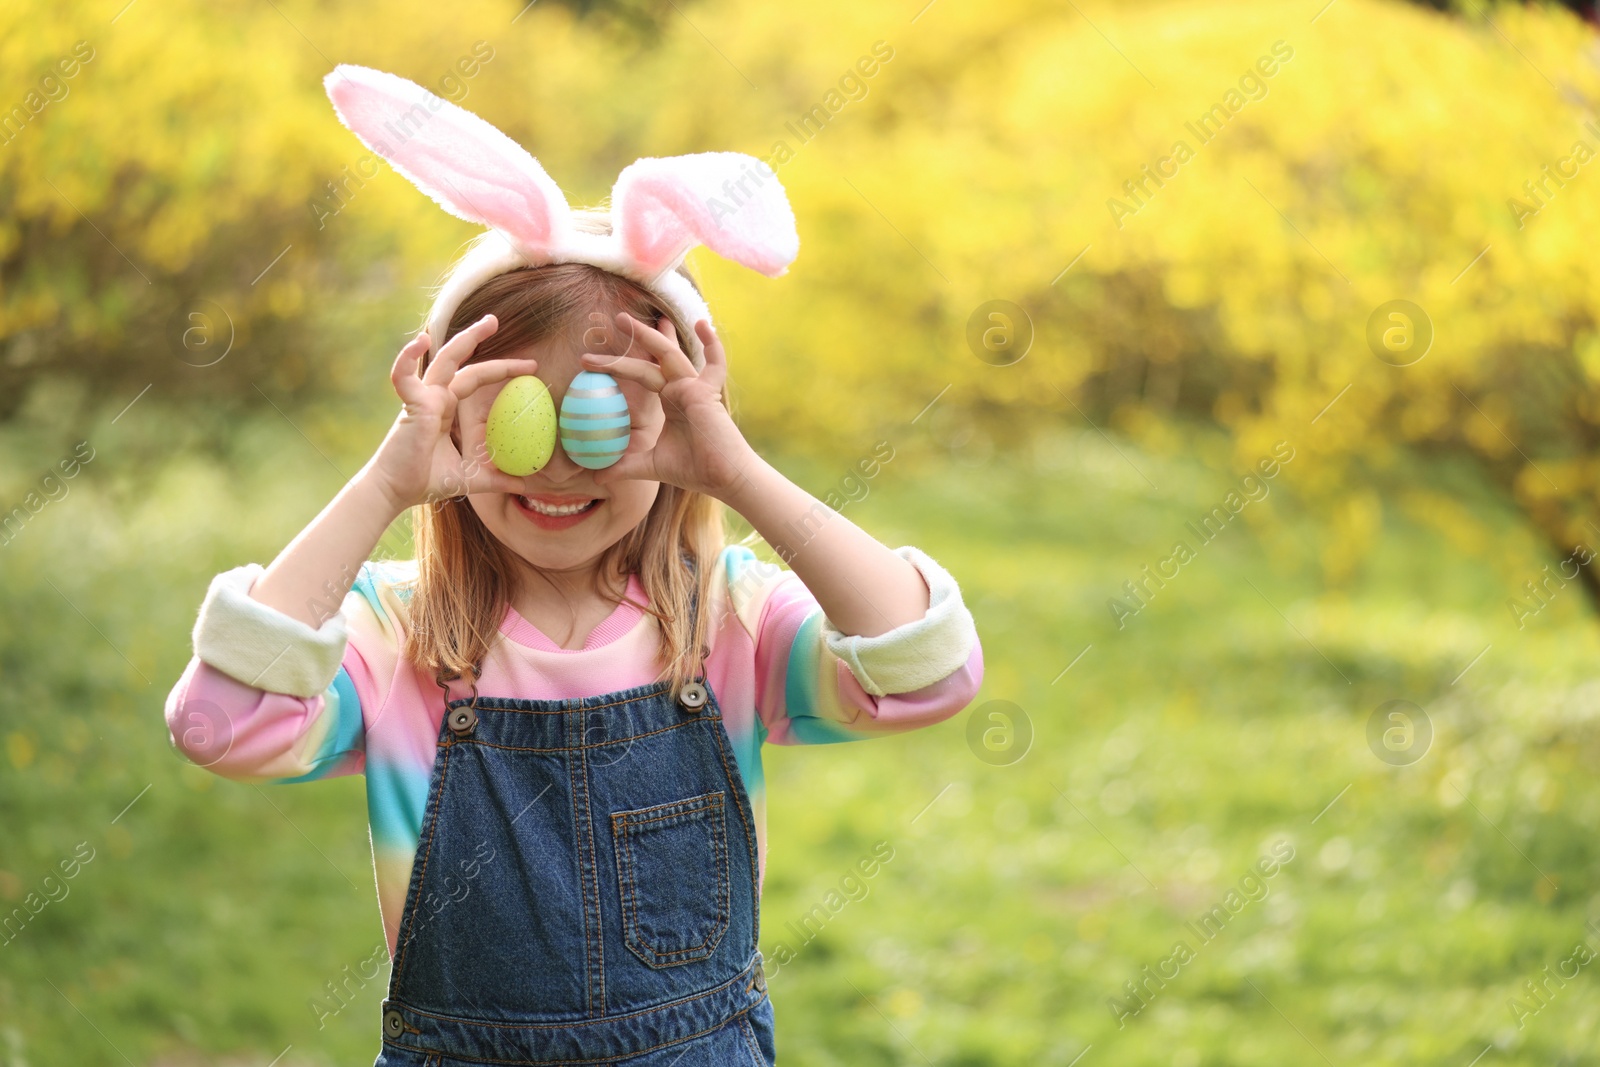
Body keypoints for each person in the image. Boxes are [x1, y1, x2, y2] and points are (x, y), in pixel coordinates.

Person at [163, 64, 983, 1066]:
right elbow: (220, 721)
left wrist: (735, 469)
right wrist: (384, 482)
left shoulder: (726, 619)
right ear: (452, 413)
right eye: (518, 416)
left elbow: (926, 666)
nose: (554, 462)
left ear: (675, 421)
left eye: (598, 418)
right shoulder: (396, 631)